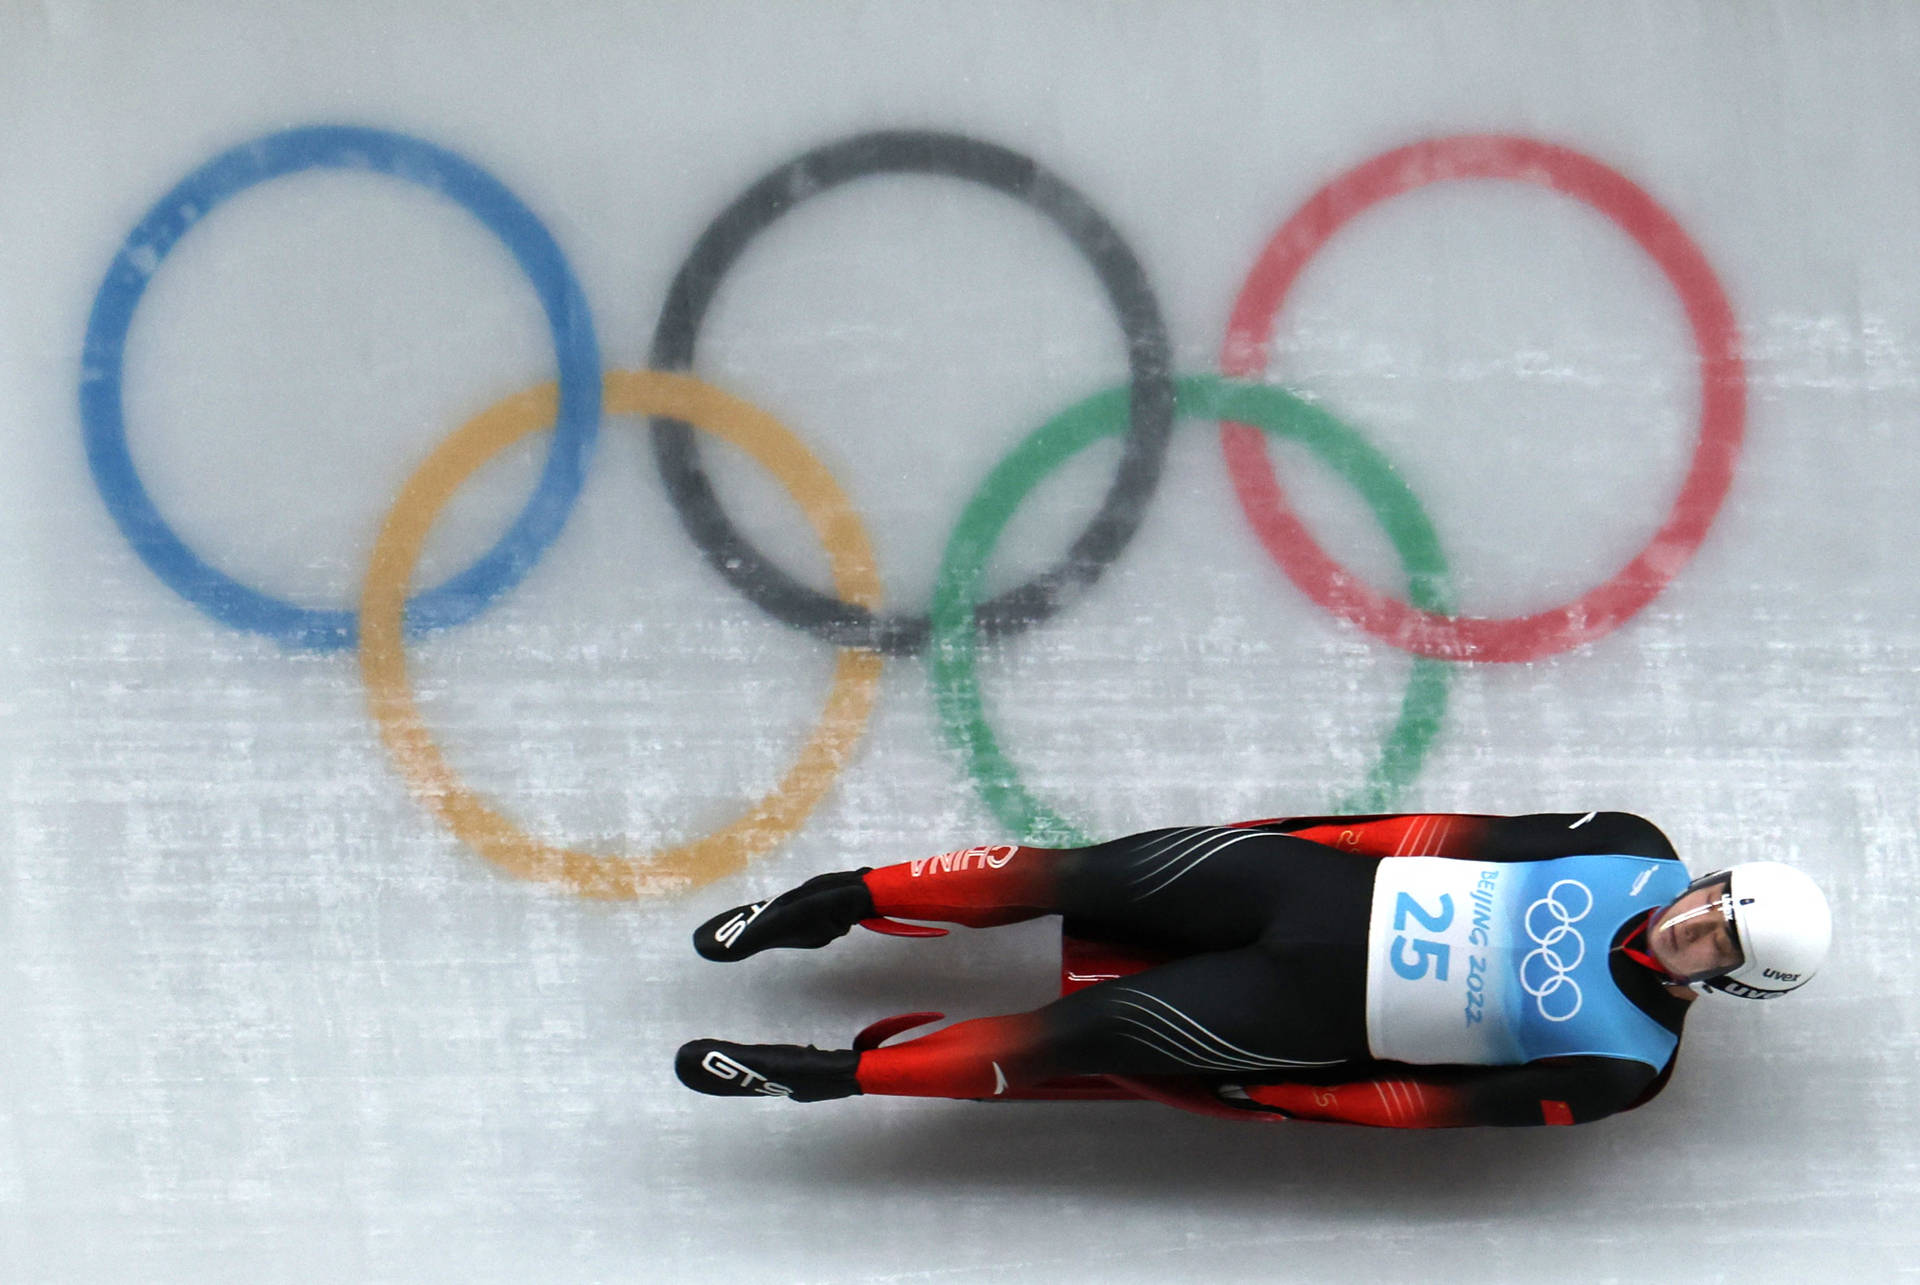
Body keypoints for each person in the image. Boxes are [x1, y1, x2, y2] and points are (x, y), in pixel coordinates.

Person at [673, 812, 1831, 1126]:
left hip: (1301, 1007)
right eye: (1715, 902)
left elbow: (1441, 1108)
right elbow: (1455, 830)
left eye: (1722, 941)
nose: (1697, 925)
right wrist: (1314, 841)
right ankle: (837, 901)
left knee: (1073, 1040)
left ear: (1728, 982)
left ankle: (829, 1077)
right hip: (1311, 888)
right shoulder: (1625, 846)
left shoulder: (1626, 1065)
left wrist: (1303, 1096)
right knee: (1077, 875)